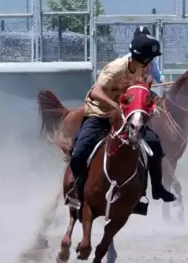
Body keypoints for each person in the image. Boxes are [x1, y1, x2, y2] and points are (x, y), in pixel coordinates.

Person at [70, 33, 176, 219]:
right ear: (143, 58)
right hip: (100, 114)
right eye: (150, 59)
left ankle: (157, 189)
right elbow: (96, 91)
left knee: (155, 146)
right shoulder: (115, 69)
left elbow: (139, 90)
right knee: (79, 154)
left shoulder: (143, 70)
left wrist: (150, 100)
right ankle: (79, 196)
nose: (151, 63)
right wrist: (115, 107)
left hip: (127, 117)